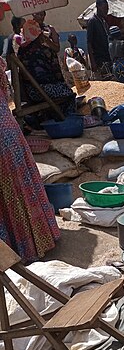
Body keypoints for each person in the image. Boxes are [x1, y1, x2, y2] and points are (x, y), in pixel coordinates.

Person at [0, 58, 59, 263]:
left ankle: (10, 254)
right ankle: (33, 243)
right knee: (19, 188)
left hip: (5, 135)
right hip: (8, 133)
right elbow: (6, 96)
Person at [18, 20, 76, 123]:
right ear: (39, 35)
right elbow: (57, 75)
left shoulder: (21, 51)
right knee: (69, 93)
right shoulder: (45, 51)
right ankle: (66, 119)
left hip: (30, 91)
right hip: (43, 90)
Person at [87, 0, 112, 79]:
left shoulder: (104, 21)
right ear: (98, 7)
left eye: (107, 8)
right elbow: (89, 42)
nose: (106, 11)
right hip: (99, 60)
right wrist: (92, 62)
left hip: (106, 57)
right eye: (104, 8)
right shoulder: (92, 21)